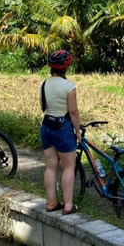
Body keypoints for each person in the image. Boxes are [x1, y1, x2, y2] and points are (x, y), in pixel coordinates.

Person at [39, 50, 81, 215]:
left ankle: (51, 203)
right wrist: (77, 131)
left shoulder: (44, 84)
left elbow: (43, 107)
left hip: (46, 126)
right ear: (66, 67)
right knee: (68, 167)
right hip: (62, 127)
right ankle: (68, 206)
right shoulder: (69, 86)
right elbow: (74, 112)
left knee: (51, 166)